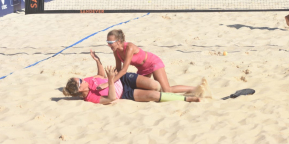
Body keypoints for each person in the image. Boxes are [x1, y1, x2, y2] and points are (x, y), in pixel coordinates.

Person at [62, 50, 201, 104]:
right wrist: (110, 81)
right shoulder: (90, 97)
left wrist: (98, 61)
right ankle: (187, 98)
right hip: (125, 93)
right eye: (80, 81)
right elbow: (111, 98)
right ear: (80, 89)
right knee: (154, 94)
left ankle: (196, 88)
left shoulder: (87, 81)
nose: (82, 79)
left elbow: (100, 75)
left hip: (124, 79)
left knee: (157, 86)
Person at [97, 30, 199, 93]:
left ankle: (195, 88)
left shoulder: (129, 47)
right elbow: (118, 70)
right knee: (145, 89)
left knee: (167, 90)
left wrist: (108, 84)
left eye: (110, 42)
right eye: (107, 42)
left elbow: (124, 70)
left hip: (153, 63)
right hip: (142, 69)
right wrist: (108, 76)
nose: (108, 45)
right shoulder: (116, 51)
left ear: (118, 41)